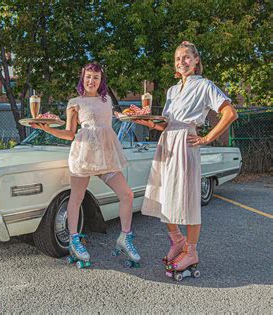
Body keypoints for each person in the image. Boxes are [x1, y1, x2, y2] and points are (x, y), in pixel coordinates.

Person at [134, 41, 238, 274]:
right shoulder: (171, 91)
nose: (182, 62)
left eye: (186, 57)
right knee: (163, 195)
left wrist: (207, 138)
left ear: (196, 60)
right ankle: (177, 240)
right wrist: (145, 121)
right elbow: (164, 124)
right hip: (167, 142)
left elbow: (230, 113)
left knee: (188, 198)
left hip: (186, 143)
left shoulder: (205, 85)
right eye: (178, 58)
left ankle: (191, 251)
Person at [31, 62, 140, 267]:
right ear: (82, 78)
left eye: (96, 77)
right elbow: (69, 133)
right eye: (88, 76)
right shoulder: (75, 102)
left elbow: (110, 122)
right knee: (77, 197)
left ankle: (125, 237)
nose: (91, 81)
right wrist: (47, 130)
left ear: (101, 81)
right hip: (84, 153)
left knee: (127, 194)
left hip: (107, 156)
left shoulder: (106, 100)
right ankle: (74, 240)